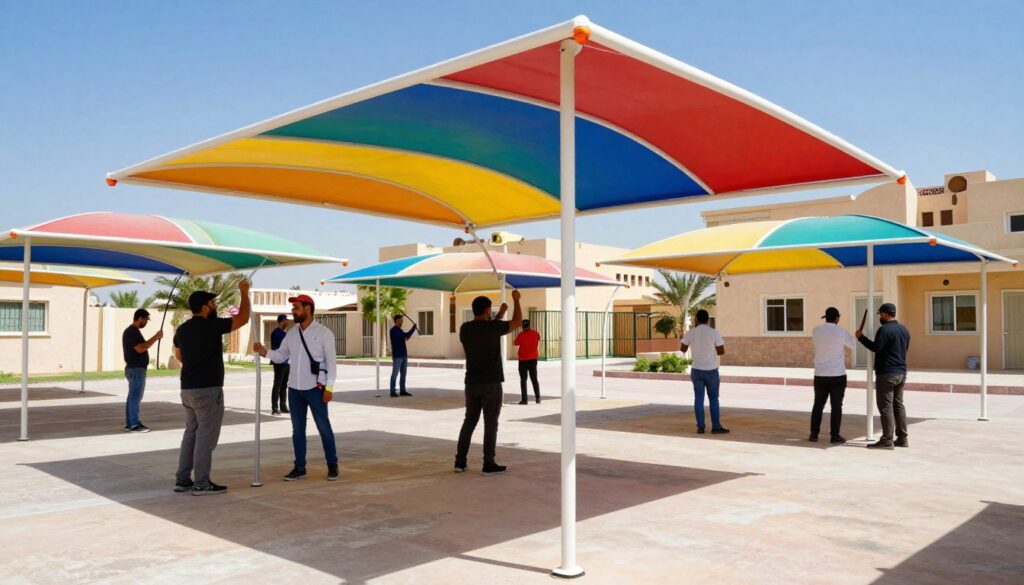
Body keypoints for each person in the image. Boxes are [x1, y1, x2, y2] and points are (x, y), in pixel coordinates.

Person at [172, 279, 250, 496]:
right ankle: (202, 483)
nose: (215, 306)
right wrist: (244, 291)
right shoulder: (211, 326)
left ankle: (183, 479)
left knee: (191, 433)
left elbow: (178, 355)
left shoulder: (182, 329)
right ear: (205, 306)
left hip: (187, 388)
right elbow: (242, 318)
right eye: (213, 303)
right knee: (206, 436)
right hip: (208, 390)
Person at [255, 294, 339, 482]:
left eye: (296, 307)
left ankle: (332, 464)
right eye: (293, 308)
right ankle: (299, 467)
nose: (293, 311)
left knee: (324, 427)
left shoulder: (324, 333)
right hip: (294, 389)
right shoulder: (291, 334)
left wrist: (329, 388)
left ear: (308, 308)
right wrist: (264, 352)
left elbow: (332, 363)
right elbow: (281, 355)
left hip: (316, 389)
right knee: (297, 430)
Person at [455, 289, 522, 475]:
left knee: (469, 422)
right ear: (486, 311)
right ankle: (488, 463)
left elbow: (485, 328)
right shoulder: (492, 329)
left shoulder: (465, 329)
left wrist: (499, 314)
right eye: (489, 311)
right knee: (490, 424)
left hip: (471, 383)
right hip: (491, 384)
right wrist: (516, 300)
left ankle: (460, 462)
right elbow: (516, 322)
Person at [856, 302, 911, 450]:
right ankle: (902, 438)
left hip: (887, 374)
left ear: (886, 314)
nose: (880, 316)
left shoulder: (884, 330)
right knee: (898, 405)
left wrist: (861, 338)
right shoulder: (904, 330)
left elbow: (876, 347)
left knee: (885, 407)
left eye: (880, 314)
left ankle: (887, 439)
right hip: (901, 373)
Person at [810, 307, 857, 444]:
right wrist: (856, 335)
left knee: (818, 405)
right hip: (837, 374)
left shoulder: (816, 331)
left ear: (826, 317)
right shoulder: (841, 331)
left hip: (820, 374)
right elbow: (853, 345)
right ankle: (835, 436)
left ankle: (814, 434)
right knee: (836, 406)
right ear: (837, 318)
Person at [681, 309, 729, 434]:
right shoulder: (714, 332)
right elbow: (721, 351)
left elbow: (683, 349)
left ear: (696, 319)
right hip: (711, 370)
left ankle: (701, 426)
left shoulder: (690, 332)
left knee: (698, 399)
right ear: (708, 319)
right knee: (713, 399)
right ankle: (716, 427)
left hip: (696, 370)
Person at [121, 308, 162, 433]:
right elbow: (140, 348)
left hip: (135, 369)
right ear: (140, 318)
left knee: (132, 397)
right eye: (145, 320)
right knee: (135, 397)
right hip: (136, 369)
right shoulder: (132, 332)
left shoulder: (132, 331)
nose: (146, 322)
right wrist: (155, 337)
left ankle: (130, 422)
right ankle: (134, 424)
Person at [513, 318, 541, 404]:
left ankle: (524, 400)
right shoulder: (536, 333)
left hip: (523, 360)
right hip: (533, 359)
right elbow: (538, 340)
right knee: (534, 379)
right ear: (529, 325)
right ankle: (538, 398)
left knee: (523, 380)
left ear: (522, 326)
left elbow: (515, 343)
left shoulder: (520, 335)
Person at [388, 314, 417, 397]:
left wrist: (408, 334)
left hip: (404, 355)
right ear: (396, 321)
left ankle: (402, 390)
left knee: (403, 374)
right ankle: (392, 391)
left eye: (402, 320)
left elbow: (406, 337)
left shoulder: (400, 330)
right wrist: (413, 328)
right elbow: (406, 336)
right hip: (397, 356)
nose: (402, 322)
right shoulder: (393, 331)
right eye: (400, 320)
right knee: (395, 373)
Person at [269, 314, 290, 415]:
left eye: (286, 321)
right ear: (279, 322)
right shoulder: (276, 333)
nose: (285, 322)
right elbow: (282, 346)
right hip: (279, 362)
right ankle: (274, 408)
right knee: (277, 385)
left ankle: (283, 406)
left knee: (284, 385)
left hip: (287, 362)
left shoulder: (285, 333)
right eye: (283, 321)